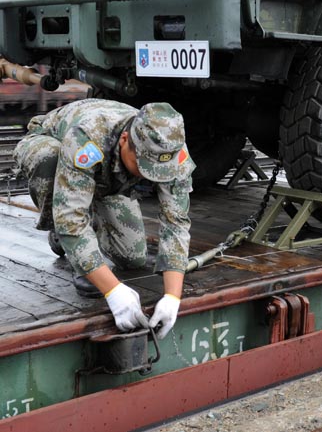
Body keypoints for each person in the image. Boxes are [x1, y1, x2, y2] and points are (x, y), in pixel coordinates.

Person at [14, 99, 196, 339]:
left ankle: (85, 226)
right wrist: (113, 292)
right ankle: (60, 235)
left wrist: (173, 297)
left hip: (107, 179)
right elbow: (72, 220)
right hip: (52, 144)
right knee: (49, 160)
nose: (149, 176)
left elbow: (176, 222)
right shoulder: (87, 138)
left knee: (132, 257)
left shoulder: (170, 148)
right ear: (124, 140)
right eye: (142, 166)